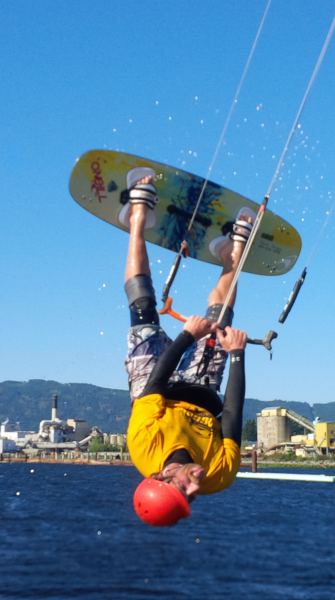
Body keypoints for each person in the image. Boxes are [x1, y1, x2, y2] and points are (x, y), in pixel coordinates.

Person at [121, 167, 254, 527]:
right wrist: (237, 355)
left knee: (143, 307)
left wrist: (186, 337)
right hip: (202, 396)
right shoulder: (219, 476)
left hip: (157, 390)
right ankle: (233, 255)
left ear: (162, 478)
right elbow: (230, 415)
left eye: (184, 490)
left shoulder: (143, 447)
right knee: (221, 319)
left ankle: (136, 217)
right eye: (191, 499)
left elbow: (155, 385)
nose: (195, 489)